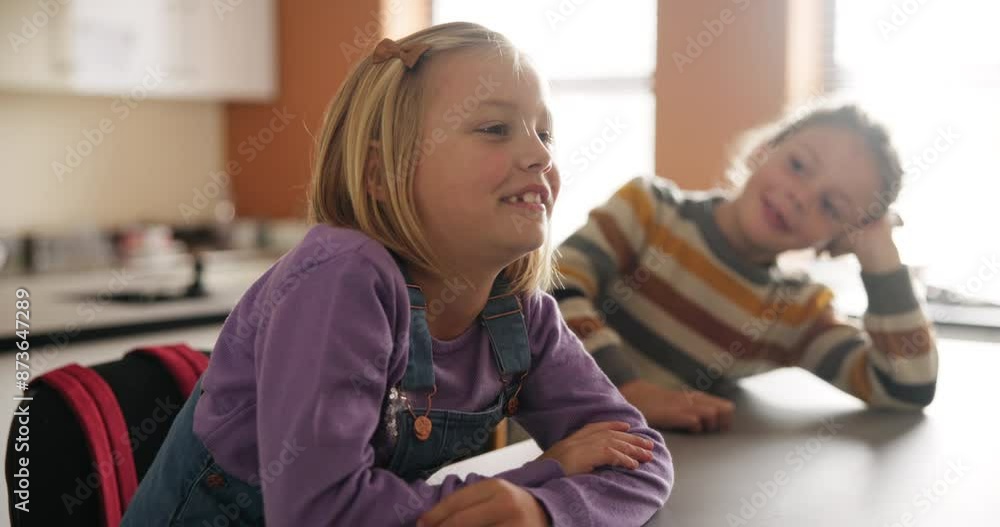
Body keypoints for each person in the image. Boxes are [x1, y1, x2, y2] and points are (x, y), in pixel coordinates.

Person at [122, 22, 672, 526]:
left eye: (545, 135)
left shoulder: (521, 314)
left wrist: (543, 512)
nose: (539, 155)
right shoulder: (340, 279)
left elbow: (641, 457)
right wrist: (539, 475)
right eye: (495, 128)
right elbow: (322, 514)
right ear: (381, 173)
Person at [553, 104, 938, 433]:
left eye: (831, 207)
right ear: (763, 150)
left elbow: (907, 387)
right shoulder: (648, 210)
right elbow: (552, 286)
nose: (800, 196)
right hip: (542, 446)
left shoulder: (794, 311)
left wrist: (881, 257)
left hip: (648, 476)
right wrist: (626, 388)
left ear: (837, 242)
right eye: (798, 165)